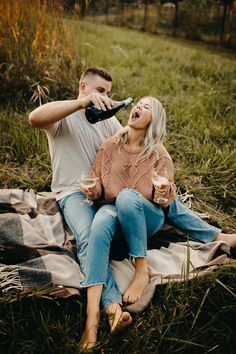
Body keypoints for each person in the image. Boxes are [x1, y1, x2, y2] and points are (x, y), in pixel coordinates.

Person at [79, 96, 236, 350]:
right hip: (113, 212)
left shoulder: (158, 154)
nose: (138, 107)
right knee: (98, 223)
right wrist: (92, 190)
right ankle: (93, 320)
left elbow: (165, 199)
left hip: (145, 217)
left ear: (155, 119)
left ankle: (141, 269)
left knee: (128, 197)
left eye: (147, 107)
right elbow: (97, 184)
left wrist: (164, 194)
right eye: (138, 104)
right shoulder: (107, 147)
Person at [28, 66, 128, 331]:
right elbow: (34, 118)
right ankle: (112, 308)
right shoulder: (65, 115)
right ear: (83, 86)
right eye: (99, 91)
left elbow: (126, 144)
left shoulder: (106, 119)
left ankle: (214, 236)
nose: (104, 96)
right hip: (73, 192)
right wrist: (81, 103)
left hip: (105, 190)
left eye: (107, 92)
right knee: (87, 234)